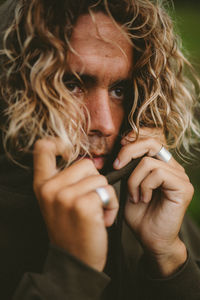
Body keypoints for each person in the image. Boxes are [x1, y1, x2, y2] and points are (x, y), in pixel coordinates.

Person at [0, 0, 200, 299]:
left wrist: (169, 258)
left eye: (120, 90)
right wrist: (73, 272)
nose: (105, 124)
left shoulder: (145, 200)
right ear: (13, 85)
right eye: (72, 84)